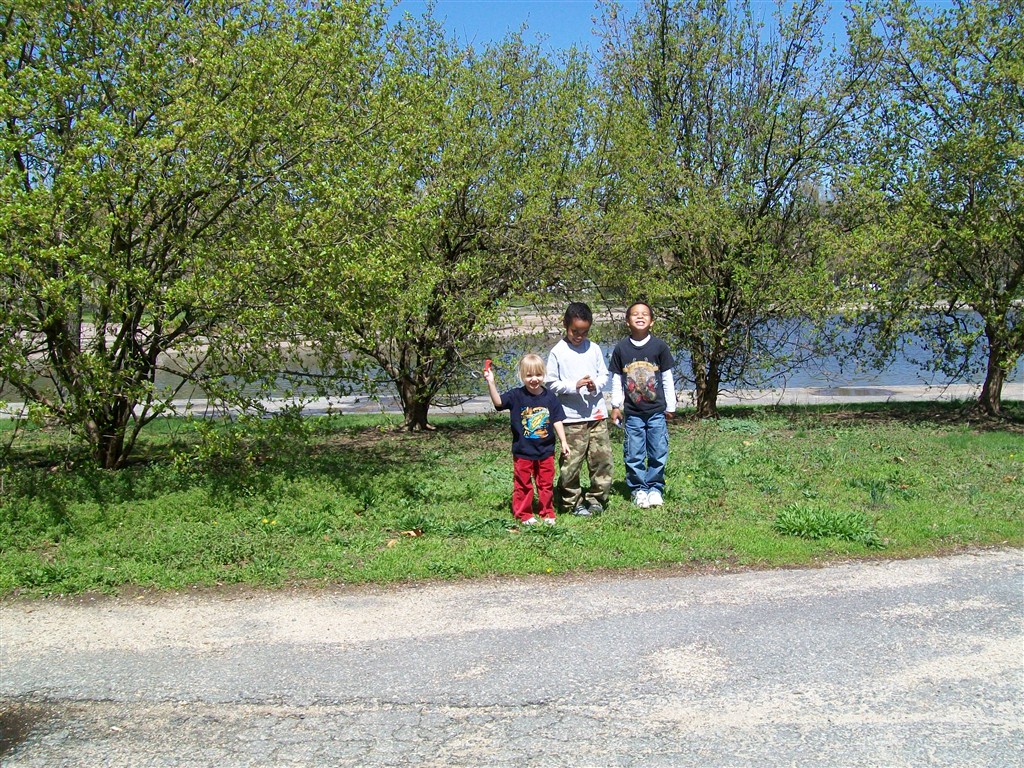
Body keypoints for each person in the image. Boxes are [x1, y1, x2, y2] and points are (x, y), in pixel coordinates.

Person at [484, 353, 570, 526]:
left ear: (544, 374)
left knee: (546, 483)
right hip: (523, 451)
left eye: (538, 374)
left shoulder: (550, 397)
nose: (534, 379)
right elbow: (498, 402)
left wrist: (563, 441)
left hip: (546, 451)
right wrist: (491, 383)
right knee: (523, 483)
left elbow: (557, 420)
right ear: (521, 375)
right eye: (529, 375)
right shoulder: (516, 395)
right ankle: (524, 514)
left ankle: (547, 512)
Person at [545, 302, 613, 516]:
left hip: (597, 414)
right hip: (571, 418)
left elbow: (604, 375)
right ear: (566, 325)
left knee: (601, 460)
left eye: (584, 332)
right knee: (571, 463)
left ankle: (596, 498)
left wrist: (595, 385)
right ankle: (570, 501)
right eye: (575, 331)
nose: (579, 336)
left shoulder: (593, 348)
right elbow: (551, 383)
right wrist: (574, 386)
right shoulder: (558, 352)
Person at [609, 301, 676, 509]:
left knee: (658, 451)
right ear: (627, 321)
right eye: (635, 314)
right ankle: (638, 489)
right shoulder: (621, 348)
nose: (640, 317)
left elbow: (667, 378)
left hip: (656, 412)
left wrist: (671, 406)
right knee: (634, 452)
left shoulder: (659, 347)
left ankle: (655, 488)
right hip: (633, 413)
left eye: (645, 314)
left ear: (652, 321)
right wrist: (616, 405)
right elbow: (616, 380)